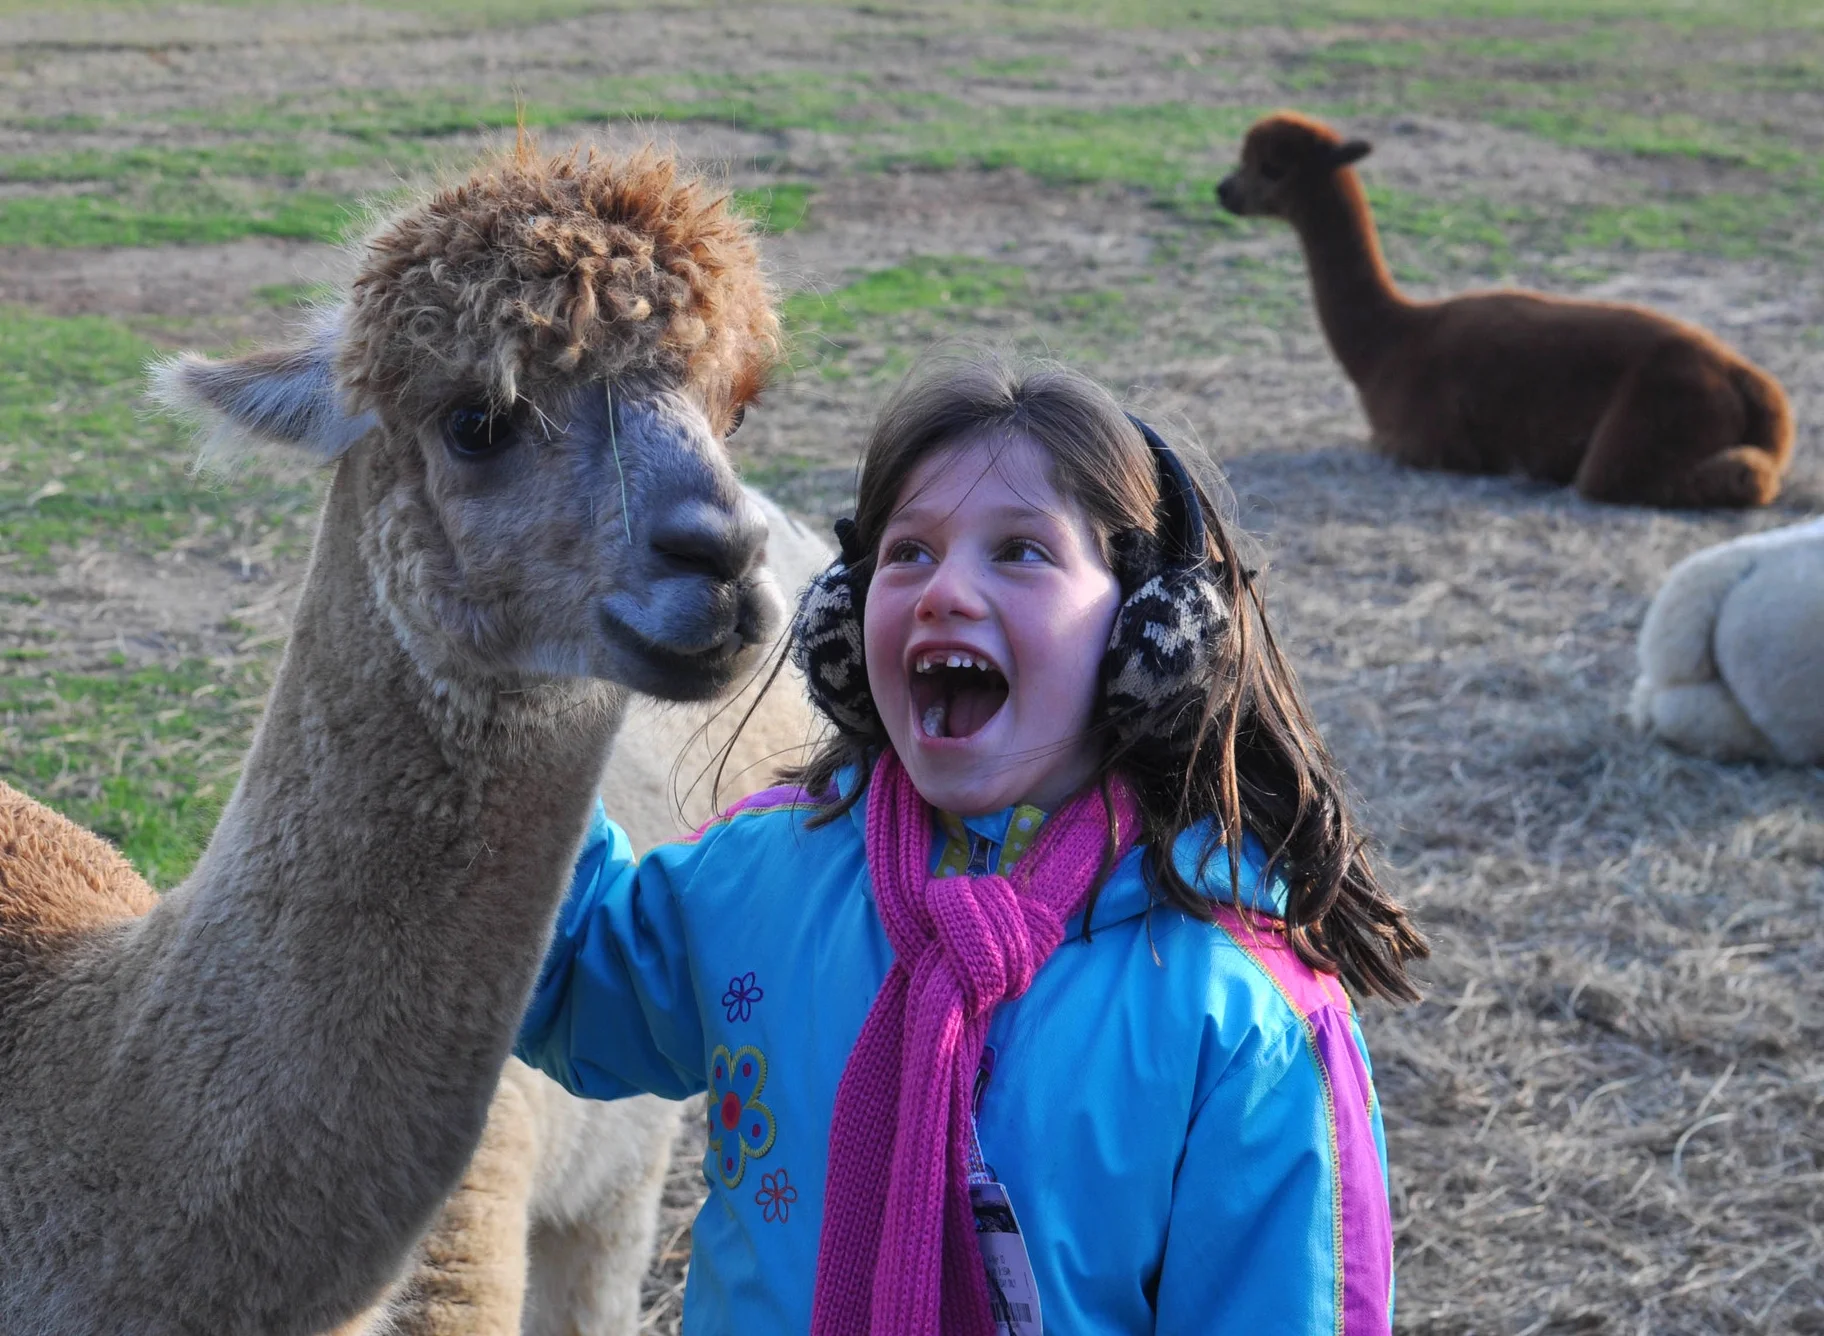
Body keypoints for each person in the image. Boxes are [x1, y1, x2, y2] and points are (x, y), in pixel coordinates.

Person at [516, 350, 1428, 1335]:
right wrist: (491, 707)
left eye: (1021, 552)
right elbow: (557, 979)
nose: (944, 590)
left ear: (1147, 630)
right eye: (908, 552)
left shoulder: (1238, 1007)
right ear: (844, 616)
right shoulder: (767, 875)